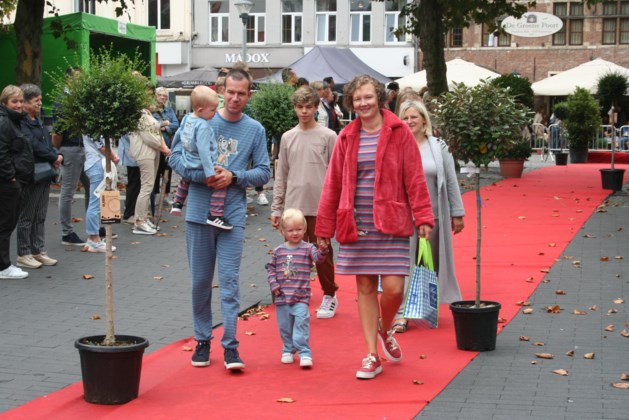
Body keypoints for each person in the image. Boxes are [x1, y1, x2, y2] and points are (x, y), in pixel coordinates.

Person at [315, 75, 434, 380]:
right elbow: (333, 184)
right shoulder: (346, 136)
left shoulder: (400, 132)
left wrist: (423, 217)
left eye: (368, 97)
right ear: (351, 103)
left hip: (391, 222)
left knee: (394, 288)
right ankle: (371, 353)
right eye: (357, 99)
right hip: (356, 223)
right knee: (365, 288)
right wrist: (324, 228)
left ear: (379, 99)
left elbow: (414, 177)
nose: (363, 103)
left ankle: (385, 327)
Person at [167, 67, 271, 370]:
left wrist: (234, 176)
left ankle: (231, 345)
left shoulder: (255, 130)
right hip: (199, 214)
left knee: (229, 283)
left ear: (249, 95)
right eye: (231, 92)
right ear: (221, 90)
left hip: (233, 216)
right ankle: (202, 339)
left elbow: (264, 171)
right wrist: (204, 176)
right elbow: (174, 157)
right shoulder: (198, 119)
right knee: (200, 282)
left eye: (242, 93)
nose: (236, 98)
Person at [393, 100, 465, 333]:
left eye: (414, 117)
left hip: (433, 217)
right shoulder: (396, 145)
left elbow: (451, 180)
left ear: (424, 120)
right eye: (405, 118)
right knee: (405, 265)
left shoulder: (438, 147)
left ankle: (422, 307)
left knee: (426, 264)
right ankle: (402, 313)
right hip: (404, 216)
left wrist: (457, 212)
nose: (410, 121)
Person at [271, 86, 339, 319]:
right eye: (299, 107)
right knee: (293, 254)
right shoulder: (288, 137)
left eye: (308, 107)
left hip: (321, 205)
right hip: (294, 206)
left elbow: (337, 174)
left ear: (316, 107)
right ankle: (296, 293)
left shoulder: (329, 136)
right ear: (294, 108)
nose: (304, 111)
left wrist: (336, 207)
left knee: (323, 253)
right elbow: (282, 174)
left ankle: (330, 293)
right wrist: (276, 208)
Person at [267, 208, 329, 368]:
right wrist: (274, 285)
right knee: (285, 326)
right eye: (291, 230)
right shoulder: (278, 251)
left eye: (299, 229)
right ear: (283, 231)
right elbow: (271, 269)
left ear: (305, 229)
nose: (295, 233)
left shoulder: (308, 248)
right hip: (282, 297)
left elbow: (318, 259)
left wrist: (323, 250)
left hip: (301, 296)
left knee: (301, 322)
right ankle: (288, 349)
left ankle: (304, 352)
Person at [170, 86, 232, 229]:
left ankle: (177, 203)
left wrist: (173, 151)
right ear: (200, 110)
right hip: (200, 164)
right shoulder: (203, 125)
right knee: (221, 184)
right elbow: (204, 151)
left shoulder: (187, 118)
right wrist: (210, 173)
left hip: (187, 160)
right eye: (212, 110)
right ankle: (215, 214)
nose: (215, 113)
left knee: (186, 179)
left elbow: (178, 135)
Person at [16, 84, 62, 269]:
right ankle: (23, 253)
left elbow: (47, 141)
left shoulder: (38, 119)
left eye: (40, 100)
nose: (40, 104)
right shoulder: (21, 122)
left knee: (40, 214)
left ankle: (38, 250)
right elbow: (32, 144)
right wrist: (53, 156)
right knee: (27, 214)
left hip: (45, 171)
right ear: (25, 103)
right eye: (36, 101)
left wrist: (56, 154)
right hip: (32, 172)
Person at [52, 67, 90, 247]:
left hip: (81, 148)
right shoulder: (63, 101)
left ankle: (93, 227)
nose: (81, 83)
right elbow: (58, 131)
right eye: (77, 79)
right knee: (68, 191)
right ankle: (66, 233)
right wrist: (56, 152)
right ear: (69, 80)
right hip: (71, 149)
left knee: (91, 188)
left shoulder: (76, 99)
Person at [0, 85, 33, 279]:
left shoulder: (13, 121)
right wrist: (10, 176)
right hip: (7, 182)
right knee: (6, 224)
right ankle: (3, 266)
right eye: (15, 101)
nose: (19, 105)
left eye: (21, 101)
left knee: (6, 223)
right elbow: (2, 153)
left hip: (13, 180)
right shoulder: (5, 122)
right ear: (5, 103)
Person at [128, 84, 170, 235]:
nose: (149, 97)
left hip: (153, 152)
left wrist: (163, 147)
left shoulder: (147, 112)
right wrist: (164, 148)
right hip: (145, 152)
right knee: (146, 186)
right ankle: (139, 221)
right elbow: (149, 137)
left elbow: (156, 132)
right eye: (146, 94)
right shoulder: (140, 113)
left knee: (149, 186)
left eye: (150, 94)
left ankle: (143, 219)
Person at [82, 135, 119, 252]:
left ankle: (91, 239)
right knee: (95, 204)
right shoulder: (92, 125)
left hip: (95, 164)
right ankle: (95, 240)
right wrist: (114, 157)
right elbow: (101, 146)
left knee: (95, 203)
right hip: (97, 164)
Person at [150, 87, 179, 215]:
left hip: (168, 145)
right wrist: (165, 123)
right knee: (156, 172)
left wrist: (165, 127)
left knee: (167, 170)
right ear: (155, 96)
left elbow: (176, 125)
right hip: (156, 146)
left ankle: (165, 195)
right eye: (160, 95)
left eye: (165, 96)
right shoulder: (151, 110)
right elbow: (152, 125)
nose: (162, 98)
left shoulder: (169, 110)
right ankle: (155, 195)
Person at [118, 134, 140, 224]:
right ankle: (129, 213)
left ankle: (131, 211)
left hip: (133, 154)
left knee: (135, 184)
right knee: (134, 184)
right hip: (132, 155)